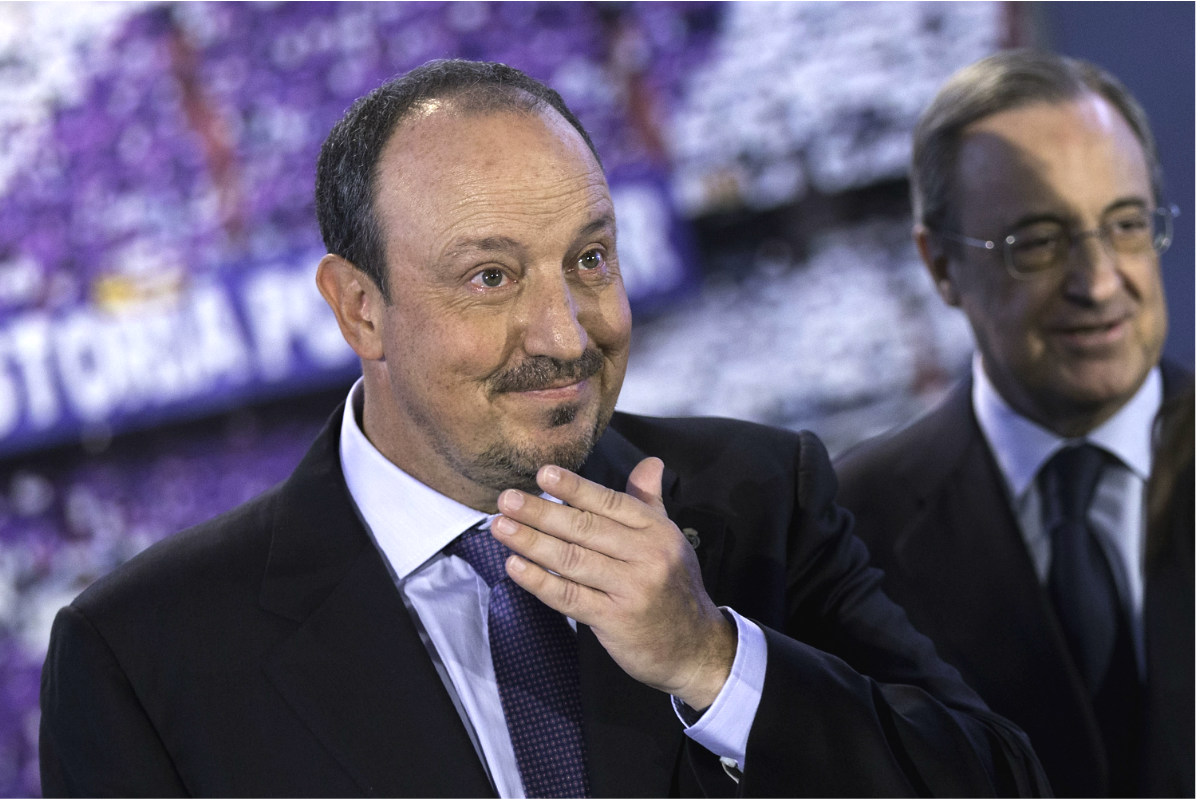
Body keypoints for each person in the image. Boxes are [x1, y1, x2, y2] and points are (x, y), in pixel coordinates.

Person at [40, 59, 1048, 798]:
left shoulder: (759, 497)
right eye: (492, 276)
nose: (566, 332)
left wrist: (712, 659)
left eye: (592, 258)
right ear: (359, 309)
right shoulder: (145, 651)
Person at [835, 49, 1193, 798]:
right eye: (1037, 241)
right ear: (939, 266)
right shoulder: (846, 528)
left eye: (1126, 224)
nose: (1098, 283)